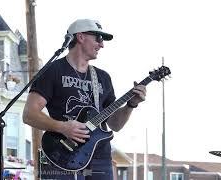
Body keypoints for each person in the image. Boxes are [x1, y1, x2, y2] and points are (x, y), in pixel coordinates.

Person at [23, 19, 147, 180]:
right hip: (62, 154)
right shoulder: (53, 70)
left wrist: (131, 104)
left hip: (100, 158)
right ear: (81, 37)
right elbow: (29, 114)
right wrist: (62, 127)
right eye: (98, 38)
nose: (101, 45)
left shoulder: (103, 77)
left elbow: (115, 125)